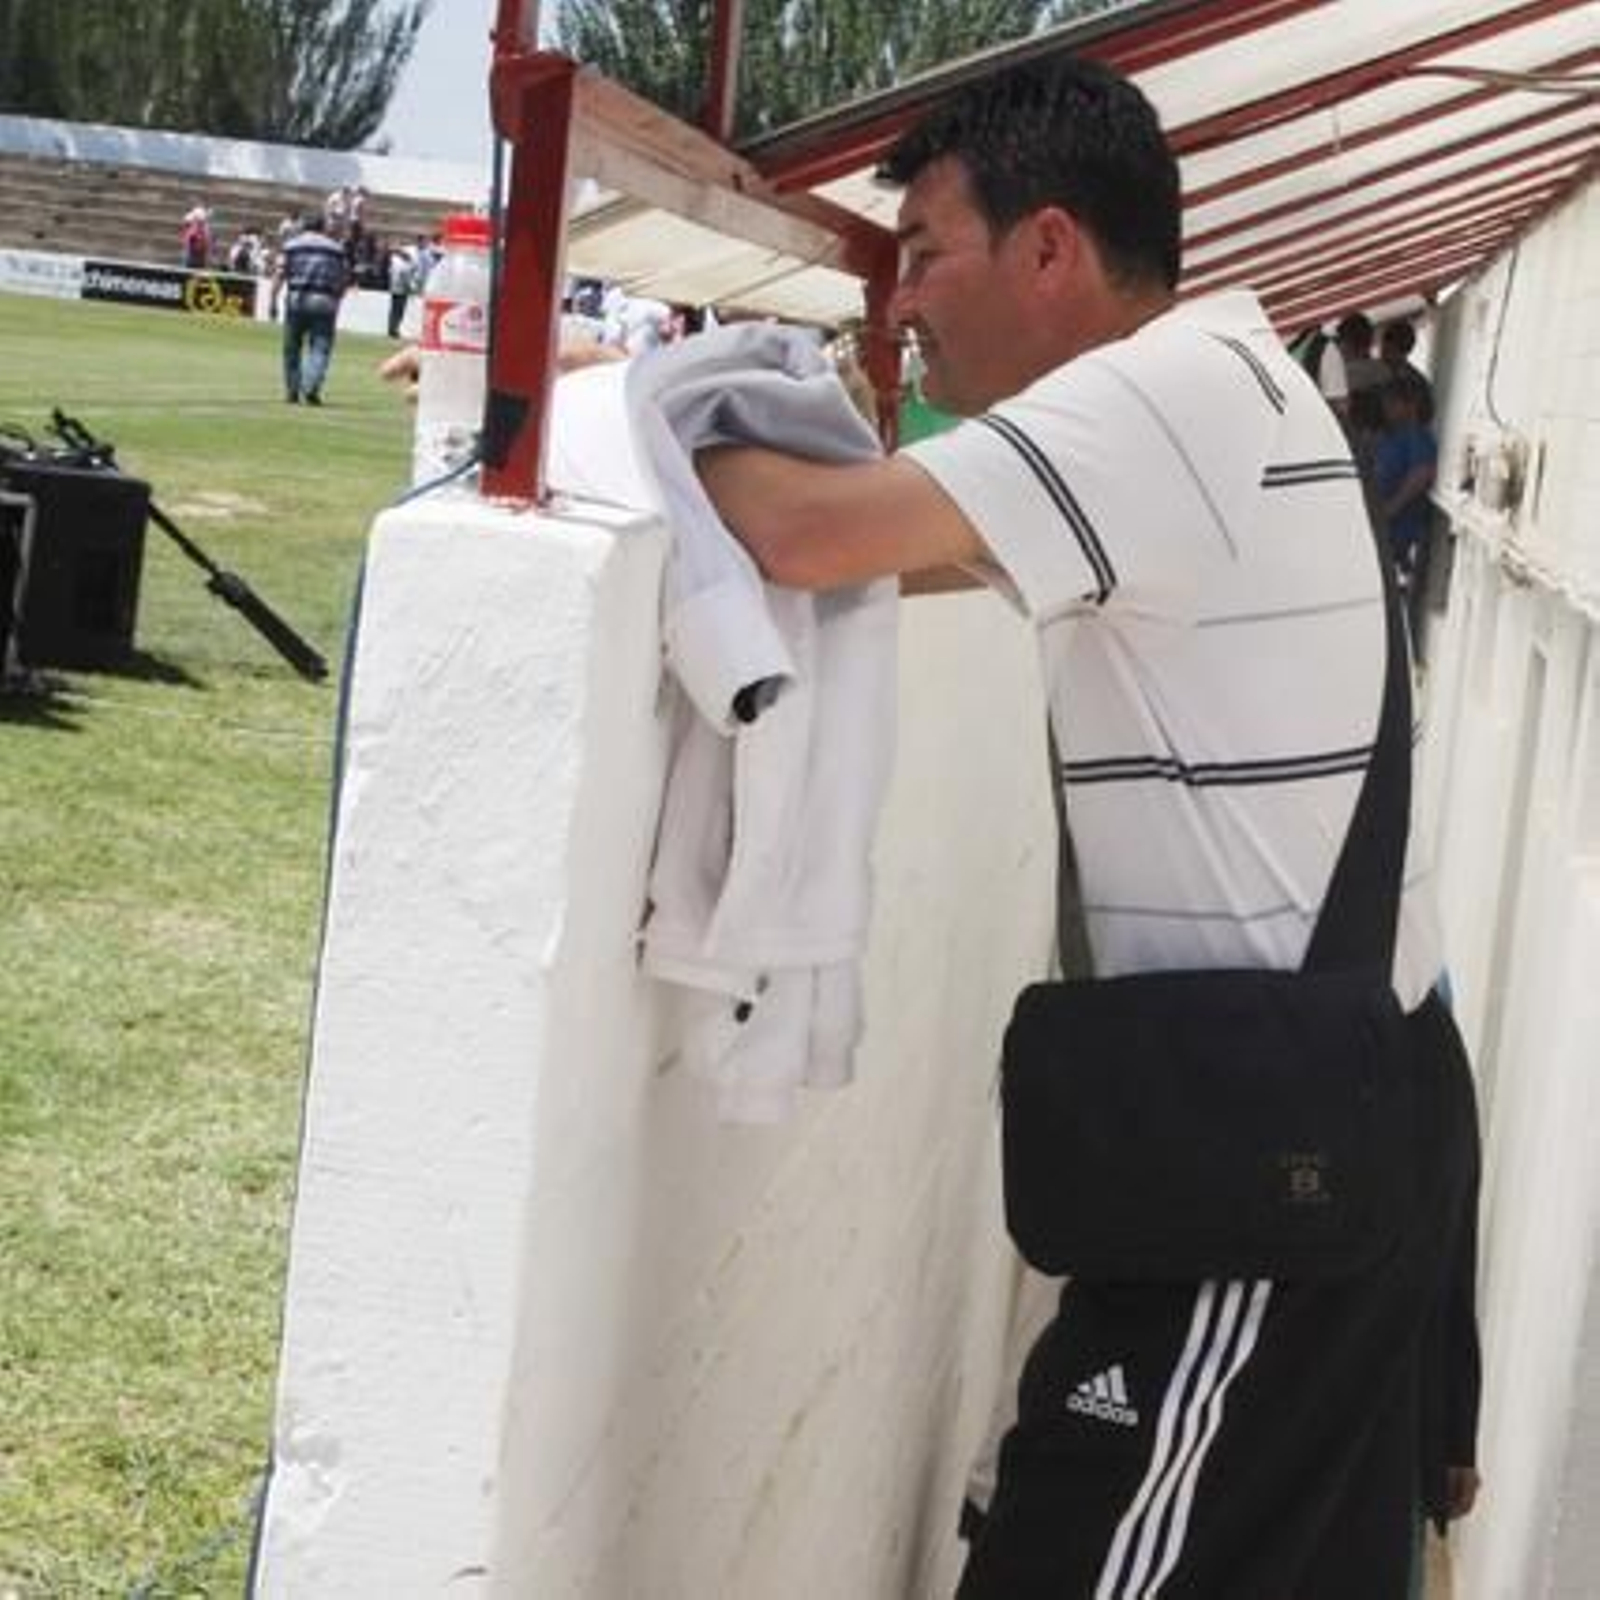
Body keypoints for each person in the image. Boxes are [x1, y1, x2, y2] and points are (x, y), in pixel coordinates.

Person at [692, 55, 1479, 1596]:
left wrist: (647, 413)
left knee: (1075, 1552)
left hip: (1272, 1155)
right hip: (1323, 1104)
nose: (903, 302)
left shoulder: (1155, 400)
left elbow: (799, 535)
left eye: (927, 253)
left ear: (1050, 247)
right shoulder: (1217, 383)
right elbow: (903, 563)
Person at [277, 213, 349, 406]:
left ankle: (292, 391)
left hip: (296, 300)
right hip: (325, 302)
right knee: (320, 349)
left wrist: (272, 299)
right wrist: (337, 300)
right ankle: (311, 388)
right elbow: (343, 279)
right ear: (323, 227)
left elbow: (280, 273)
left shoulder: (292, 245)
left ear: (304, 227)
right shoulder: (336, 249)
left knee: (292, 348)